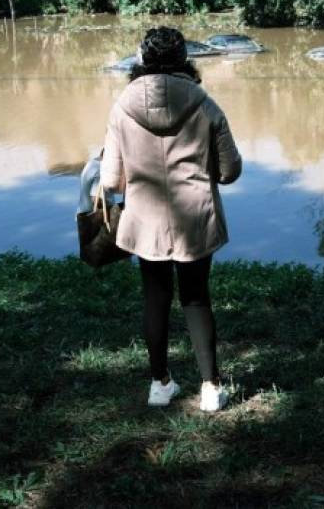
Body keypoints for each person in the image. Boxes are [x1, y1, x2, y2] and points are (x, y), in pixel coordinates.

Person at [100, 26, 242, 412]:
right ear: (186, 60)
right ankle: (211, 389)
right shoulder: (206, 105)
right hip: (194, 218)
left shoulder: (121, 106)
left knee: (155, 298)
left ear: (141, 61)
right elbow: (230, 171)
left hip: (144, 220)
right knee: (196, 298)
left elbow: (111, 180)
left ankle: (160, 384)